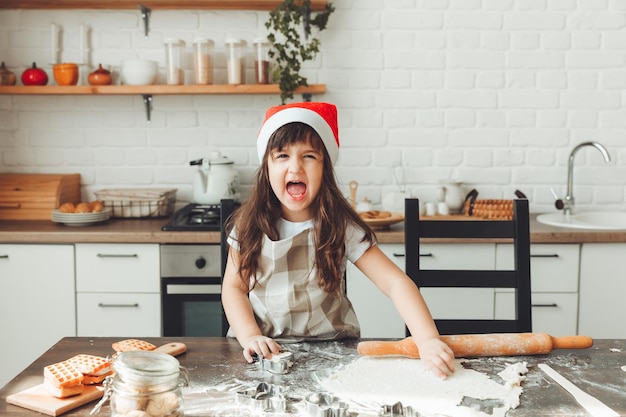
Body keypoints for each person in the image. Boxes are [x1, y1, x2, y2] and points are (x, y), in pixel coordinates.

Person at [221, 102, 455, 379]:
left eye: (309, 156)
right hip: (264, 352)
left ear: (325, 167)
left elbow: (394, 282)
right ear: (267, 167)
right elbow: (234, 288)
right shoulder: (249, 226)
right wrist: (250, 336)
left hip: (332, 351)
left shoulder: (340, 226)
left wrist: (427, 339)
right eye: (282, 155)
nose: (295, 166)